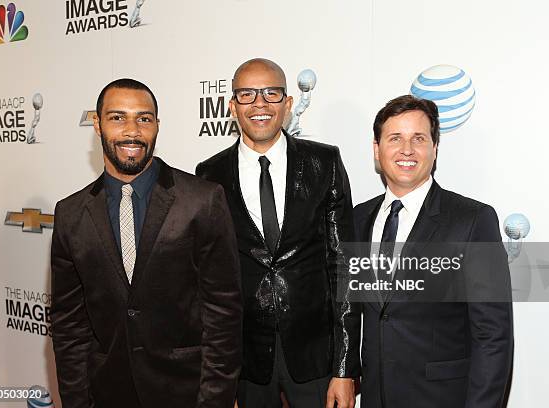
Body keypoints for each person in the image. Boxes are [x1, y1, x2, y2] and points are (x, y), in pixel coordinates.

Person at [51, 78, 242, 408]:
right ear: (97, 124)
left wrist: (214, 401)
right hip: (108, 393)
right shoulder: (70, 214)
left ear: (157, 125)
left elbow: (223, 315)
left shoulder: (201, 200)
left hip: (186, 394)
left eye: (144, 118)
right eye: (117, 117)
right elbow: (69, 326)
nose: (132, 131)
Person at [196, 58, 360, 408]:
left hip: (315, 354)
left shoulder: (325, 163)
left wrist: (345, 369)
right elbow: (208, 282)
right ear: (232, 106)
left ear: (287, 104)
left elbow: (345, 268)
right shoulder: (209, 175)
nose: (259, 104)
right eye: (247, 94)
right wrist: (219, 376)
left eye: (271, 93)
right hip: (245, 358)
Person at [354, 95, 513, 408]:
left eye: (419, 138)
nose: (407, 150)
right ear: (377, 149)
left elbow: (493, 336)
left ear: (435, 148)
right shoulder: (359, 218)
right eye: (395, 138)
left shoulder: (472, 220)